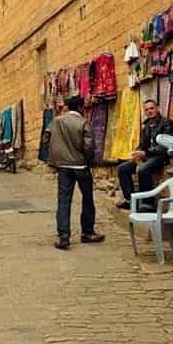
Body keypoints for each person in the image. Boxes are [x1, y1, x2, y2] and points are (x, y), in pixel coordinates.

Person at [42, 96, 105, 250]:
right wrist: (89, 161)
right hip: (81, 166)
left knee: (64, 200)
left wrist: (54, 156)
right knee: (87, 198)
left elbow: (45, 139)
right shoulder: (84, 123)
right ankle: (87, 232)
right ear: (80, 108)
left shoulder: (56, 121)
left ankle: (64, 235)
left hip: (63, 167)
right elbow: (89, 146)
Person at [116, 100, 173, 211]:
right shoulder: (146, 125)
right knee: (122, 168)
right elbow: (142, 144)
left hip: (160, 157)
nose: (149, 111)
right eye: (147, 109)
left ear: (157, 108)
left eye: (152, 108)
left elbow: (166, 145)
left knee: (143, 169)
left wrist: (146, 153)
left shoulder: (167, 123)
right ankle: (130, 201)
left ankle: (148, 204)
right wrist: (137, 153)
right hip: (147, 156)